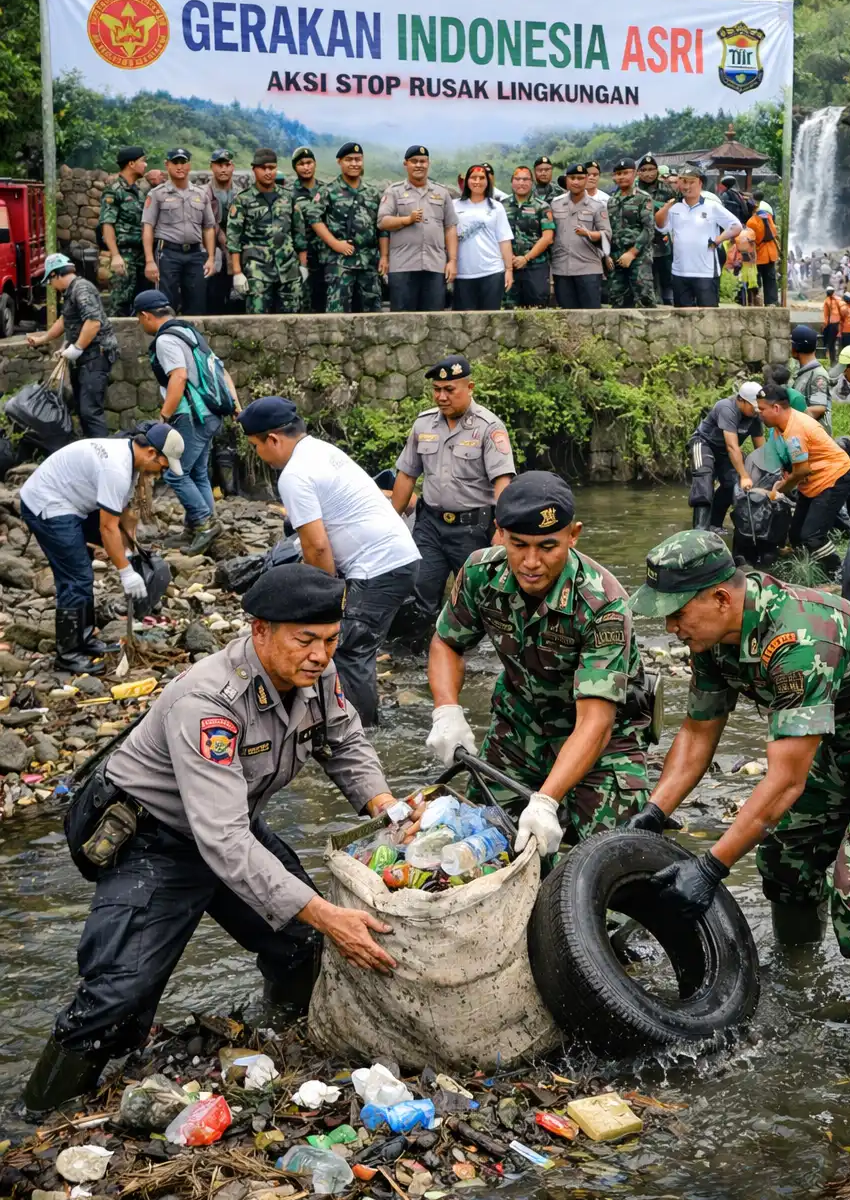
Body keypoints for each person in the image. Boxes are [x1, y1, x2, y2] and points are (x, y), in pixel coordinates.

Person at [20, 565, 417, 1116]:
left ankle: (284, 1041)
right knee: (116, 997)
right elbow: (222, 841)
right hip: (154, 839)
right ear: (260, 631)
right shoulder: (209, 703)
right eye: (305, 641)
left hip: (231, 822)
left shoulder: (316, 675)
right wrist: (327, 913)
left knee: (300, 946)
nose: (321, 655)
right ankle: (36, 1116)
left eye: (330, 640)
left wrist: (387, 808)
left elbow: (343, 740)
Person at [624, 529, 850, 1041]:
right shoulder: (714, 637)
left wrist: (710, 868)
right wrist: (654, 813)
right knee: (785, 858)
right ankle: (800, 982)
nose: (670, 627)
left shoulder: (796, 639)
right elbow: (698, 733)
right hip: (843, 742)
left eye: (677, 613)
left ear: (721, 597)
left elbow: (786, 781)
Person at [426, 471, 651, 850]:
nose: (531, 562)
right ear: (499, 533)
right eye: (518, 545)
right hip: (518, 728)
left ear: (573, 535)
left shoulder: (603, 603)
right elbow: (447, 642)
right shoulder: (481, 574)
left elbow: (596, 721)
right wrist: (446, 709)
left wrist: (546, 800)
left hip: (602, 745)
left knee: (613, 857)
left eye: (547, 546)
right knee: (476, 842)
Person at [240, 397, 420, 726]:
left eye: (256, 447)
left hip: (378, 567)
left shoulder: (294, 474)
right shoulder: (320, 450)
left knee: (349, 648)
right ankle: (351, 720)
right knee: (352, 644)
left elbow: (317, 546)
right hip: (397, 559)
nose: (259, 455)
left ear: (274, 439)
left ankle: (359, 733)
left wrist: (321, 602)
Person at [19, 423, 184, 672]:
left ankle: (84, 639)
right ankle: (69, 653)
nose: (160, 472)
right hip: (47, 504)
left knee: (81, 572)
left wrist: (129, 552)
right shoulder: (116, 468)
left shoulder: (129, 457)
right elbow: (107, 528)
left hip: (72, 501)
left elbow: (123, 516)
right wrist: (125, 572)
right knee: (76, 577)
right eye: (162, 465)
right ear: (151, 452)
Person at [391, 355, 516, 620]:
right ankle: (419, 655)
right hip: (430, 526)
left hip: (473, 528)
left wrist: (503, 529)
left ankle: (476, 657)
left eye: (449, 389)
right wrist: (390, 520)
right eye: (437, 390)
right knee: (420, 594)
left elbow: (502, 482)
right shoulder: (423, 424)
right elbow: (406, 476)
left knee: (479, 601)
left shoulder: (489, 428)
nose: (441, 396)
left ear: (469, 388)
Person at [134, 289, 241, 552]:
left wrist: (164, 417)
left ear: (146, 316)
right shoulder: (189, 332)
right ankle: (196, 528)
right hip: (210, 413)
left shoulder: (166, 340)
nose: (140, 324)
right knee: (196, 473)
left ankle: (205, 525)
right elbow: (220, 369)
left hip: (191, 415)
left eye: (139, 318)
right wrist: (236, 405)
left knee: (175, 474)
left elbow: (178, 377)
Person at [756, 382, 850, 577]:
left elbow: (801, 471)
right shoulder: (779, 427)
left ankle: (839, 573)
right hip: (813, 481)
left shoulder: (795, 430)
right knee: (796, 534)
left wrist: (781, 488)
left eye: (762, 409)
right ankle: (809, 571)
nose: (760, 413)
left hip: (833, 477)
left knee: (812, 536)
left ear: (776, 408)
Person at [26, 253, 119, 438]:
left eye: (50, 281)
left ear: (55, 275)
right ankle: (92, 450)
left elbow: (93, 322)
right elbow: (66, 320)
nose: (51, 286)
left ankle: (103, 455)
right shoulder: (71, 293)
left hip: (96, 356)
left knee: (90, 411)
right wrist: (44, 339)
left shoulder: (82, 289)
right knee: (83, 410)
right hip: (84, 358)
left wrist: (77, 347)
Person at [377, 145, 458, 312]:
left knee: (434, 320)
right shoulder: (394, 192)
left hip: (435, 266)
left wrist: (452, 261)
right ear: (405, 164)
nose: (419, 165)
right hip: (403, 266)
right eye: (414, 161)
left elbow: (450, 228)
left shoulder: (442, 193)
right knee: (402, 320)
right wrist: (408, 219)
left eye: (423, 161)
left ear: (428, 164)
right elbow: (382, 222)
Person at [226, 148, 306, 315]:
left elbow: (299, 233)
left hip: (288, 269)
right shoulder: (243, 200)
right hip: (257, 270)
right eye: (263, 168)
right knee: (256, 321)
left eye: (272, 168)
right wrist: (237, 272)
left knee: (294, 320)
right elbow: (234, 238)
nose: (268, 172)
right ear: (254, 169)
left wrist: (303, 266)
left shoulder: (288, 198)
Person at [310, 142, 383, 314]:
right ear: (339, 162)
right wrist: (335, 243)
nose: (354, 163)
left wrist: (384, 256)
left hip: (368, 261)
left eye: (358, 159)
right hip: (339, 262)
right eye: (349, 159)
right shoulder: (328, 191)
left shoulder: (372, 193)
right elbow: (314, 219)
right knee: (338, 311)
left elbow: (381, 226)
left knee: (372, 310)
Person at [141, 148, 217, 314]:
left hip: (195, 254)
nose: (180, 167)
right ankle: (168, 338)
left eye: (183, 162)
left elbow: (209, 227)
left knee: (197, 303)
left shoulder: (201, 194)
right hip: (168, 254)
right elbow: (148, 227)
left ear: (189, 165)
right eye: (175, 162)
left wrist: (211, 258)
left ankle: (192, 338)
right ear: (167, 165)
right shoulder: (157, 194)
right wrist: (149, 261)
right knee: (165, 304)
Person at [654, 162, 740, 308]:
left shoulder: (712, 206)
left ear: (700, 183)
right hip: (680, 272)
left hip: (705, 272)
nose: (687, 186)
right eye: (684, 182)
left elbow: (736, 226)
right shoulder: (675, 208)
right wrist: (667, 206)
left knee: (708, 316)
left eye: (691, 182)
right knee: (683, 316)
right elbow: (661, 226)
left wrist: (718, 240)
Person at [688, 383, 765, 530]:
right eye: (753, 407)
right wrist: (744, 475)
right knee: (704, 478)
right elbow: (732, 447)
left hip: (725, 451)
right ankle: (700, 529)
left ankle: (714, 525)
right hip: (704, 443)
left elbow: (761, 449)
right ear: (741, 400)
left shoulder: (754, 417)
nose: (757, 411)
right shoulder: (727, 408)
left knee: (732, 485)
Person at [452, 164, 514, 311]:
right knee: (464, 322)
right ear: (467, 181)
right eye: (473, 178)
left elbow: (504, 240)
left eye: (481, 178)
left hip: (492, 271)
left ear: (488, 182)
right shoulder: (455, 206)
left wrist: (509, 270)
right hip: (463, 272)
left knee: (491, 319)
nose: (477, 181)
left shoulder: (496, 207)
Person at [549, 162, 611, 309]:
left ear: (586, 179)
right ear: (566, 180)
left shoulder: (597, 206)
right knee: (566, 317)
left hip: (588, 268)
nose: (576, 182)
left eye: (580, 178)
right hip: (561, 268)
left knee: (592, 317)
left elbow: (607, 235)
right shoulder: (555, 204)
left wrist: (589, 234)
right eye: (572, 178)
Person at [100, 146, 148, 316]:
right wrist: (115, 255)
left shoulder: (139, 192)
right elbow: (107, 224)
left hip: (141, 256)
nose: (146, 165)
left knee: (141, 305)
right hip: (124, 255)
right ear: (131, 163)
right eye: (143, 161)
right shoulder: (114, 190)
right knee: (120, 305)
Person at [605, 157, 656, 308]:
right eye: (618, 174)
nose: (621, 177)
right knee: (617, 301)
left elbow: (649, 230)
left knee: (644, 299)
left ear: (634, 174)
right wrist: (606, 254)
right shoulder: (611, 201)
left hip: (639, 258)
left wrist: (632, 253)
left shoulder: (643, 198)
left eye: (626, 173)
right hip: (616, 258)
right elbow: (608, 230)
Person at [501, 166, 555, 307]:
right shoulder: (502, 206)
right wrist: (509, 257)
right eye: (517, 179)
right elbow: (497, 235)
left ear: (531, 182)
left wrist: (526, 258)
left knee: (536, 312)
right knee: (508, 311)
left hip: (535, 266)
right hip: (508, 266)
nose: (521, 183)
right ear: (512, 182)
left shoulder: (542, 207)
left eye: (525, 179)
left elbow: (547, 237)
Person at [290, 146, 328, 313]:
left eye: (309, 162)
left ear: (315, 164)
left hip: (326, 255)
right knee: (303, 304)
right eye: (301, 164)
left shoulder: (327, 190)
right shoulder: (289, 194)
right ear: (295, 167)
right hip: (301, 256)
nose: (306, 167)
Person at [636, 153, 675, 304]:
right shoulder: (633, 190)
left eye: (651, 169)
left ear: (657, 171)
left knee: (666, 276)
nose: (648, 173)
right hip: (641, 240)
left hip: (662, 241)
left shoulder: (667, 190)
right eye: (644, 169)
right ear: (638, 172)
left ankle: (668, 301)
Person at [205, 149, 239, 315]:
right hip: (211, 251)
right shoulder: (203, 194)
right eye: (219, 165)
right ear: (212, 167)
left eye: (227, 165)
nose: (223, 169)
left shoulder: (240, 194)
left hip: (237, 251)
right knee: (213, 296)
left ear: (232, 167)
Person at [790, 323, 832, 430]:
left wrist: (788, 419)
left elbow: (819, 408)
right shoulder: (805, 372)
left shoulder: (818, 375)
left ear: (795, 348)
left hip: (814, 440)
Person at [747, 197, 779, 305]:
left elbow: (751, 239)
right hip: (771, 253)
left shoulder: (751, 222)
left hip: (759, 254)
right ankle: (772, 302)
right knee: (770, 279)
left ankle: (756, 301)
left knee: (755, 279)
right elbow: (774, 232)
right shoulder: (768, 217)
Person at [820, 286, 843, 364]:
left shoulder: (827, 301)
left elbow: (826, 315)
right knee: (838, 343)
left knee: (831, 343)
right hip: (839, 323)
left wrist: (824, 325)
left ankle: (833, 360)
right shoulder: (838, 299)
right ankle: (838, 360)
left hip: (832, 324)